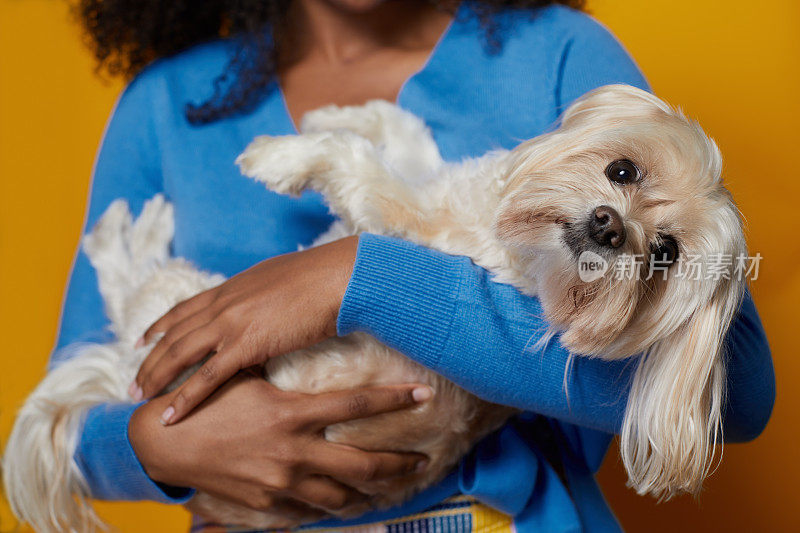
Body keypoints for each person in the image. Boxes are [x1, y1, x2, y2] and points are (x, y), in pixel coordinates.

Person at [55, 0, 775, 531]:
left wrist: (362, 281)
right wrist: (159, 442)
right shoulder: (160, 108)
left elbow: (733, 392)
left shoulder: (558, 54)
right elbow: (66, 434)